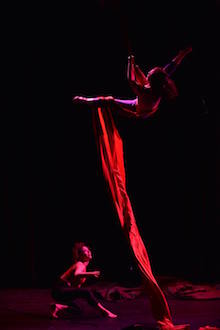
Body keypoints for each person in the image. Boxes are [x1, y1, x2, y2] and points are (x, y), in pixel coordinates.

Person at [72, 46, 192, 119]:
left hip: (137, 113)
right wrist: (183, 53)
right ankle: (133, 64)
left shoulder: (147, 91)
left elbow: (131, 80)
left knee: (108, 100)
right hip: (140, 103)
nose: (148, 73)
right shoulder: (159, 82)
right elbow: (172, 66)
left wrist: (130, 61)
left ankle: (84, 101)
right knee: (136, 68)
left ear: (151, 80)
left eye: (149, 74)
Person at [50, 242, 117, 319]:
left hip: (62, 292)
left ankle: (58, 306)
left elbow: (76, 286)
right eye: (85, 251)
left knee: (79, 309)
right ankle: (105, 312)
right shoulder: (80, 264)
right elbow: (77, 274)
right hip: (59, 289)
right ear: (80, 255)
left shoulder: (83, 267)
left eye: (89, 250)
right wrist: (92, 273)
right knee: (86, 291)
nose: (88, 252)